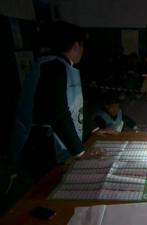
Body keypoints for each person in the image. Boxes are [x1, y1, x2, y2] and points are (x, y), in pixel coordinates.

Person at [12, 21, 114, 178]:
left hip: (51, 139)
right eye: (82, 45)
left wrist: (95, 130)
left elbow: (77, 103)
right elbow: (58, 113)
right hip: (39, 145)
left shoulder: (63, 65)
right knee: (48, 186)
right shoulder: (54, 68)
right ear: (76, 45)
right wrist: (80, 153)